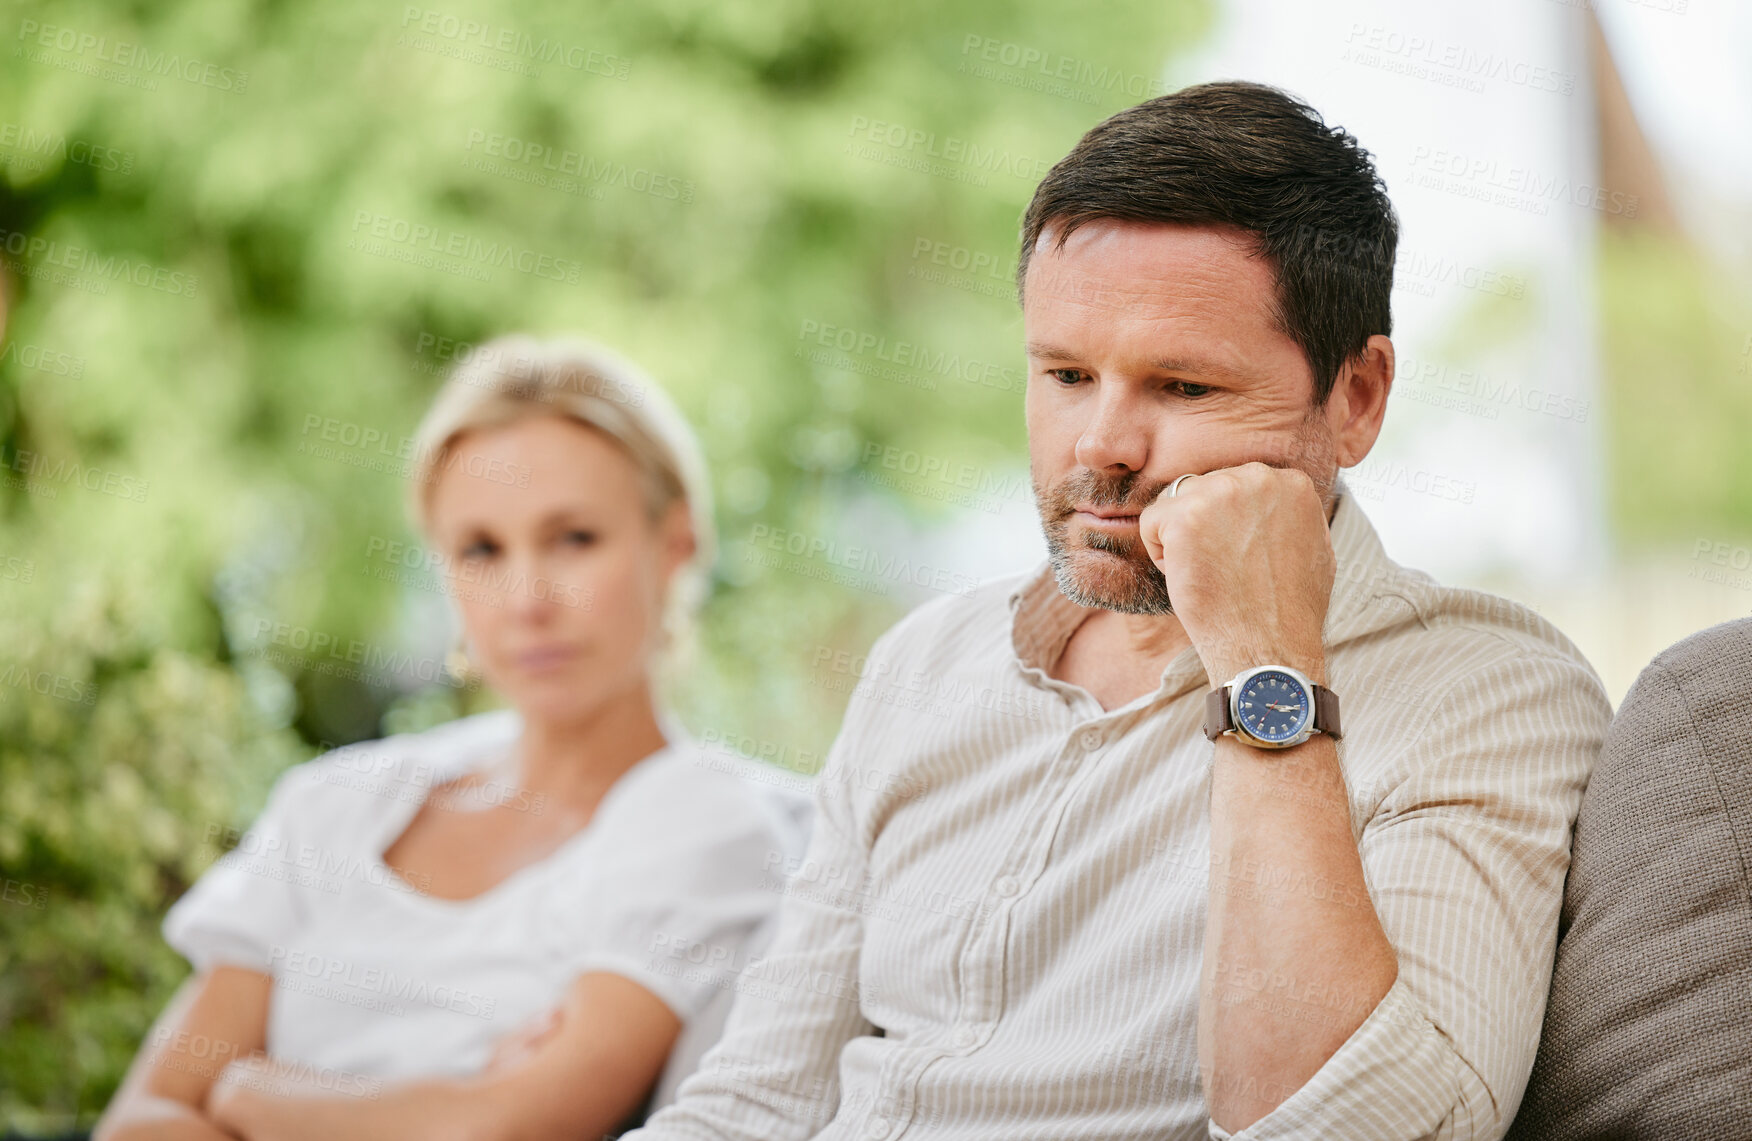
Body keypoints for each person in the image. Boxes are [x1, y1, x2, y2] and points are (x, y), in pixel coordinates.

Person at [626, 81, 1610, 1141]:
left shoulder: (1492, 692)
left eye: (1183, 388)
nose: (1101, 446)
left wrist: (1265, 662)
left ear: (1357, 397)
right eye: (1065, 374)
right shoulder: (927, 661)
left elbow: (1361, 1132)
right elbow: (755, 1103)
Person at [94, 335, 809, 1141]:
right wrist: (414, 1110)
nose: (527, 598)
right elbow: (141, 1123)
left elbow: (501, 1127)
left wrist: (259, 1098)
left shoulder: (703, 818)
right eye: (481, 549)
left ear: (674, 544)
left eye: (574, 538)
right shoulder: (336, 804)